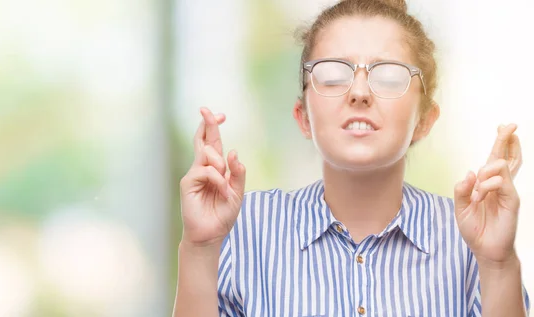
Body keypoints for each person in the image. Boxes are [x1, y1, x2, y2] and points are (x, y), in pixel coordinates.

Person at [172, 0, 530, 316]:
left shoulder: (471, 242)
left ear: (424, 120)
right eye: (332, 74)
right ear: (303, 117)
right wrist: (199, 248)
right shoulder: (243, 230)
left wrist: (498, 265)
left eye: (389, 75)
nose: (359, 92)